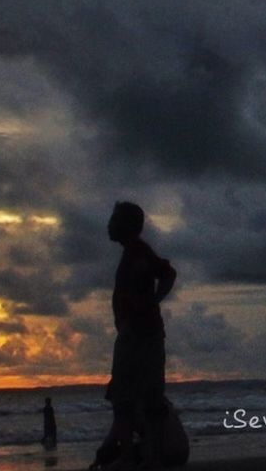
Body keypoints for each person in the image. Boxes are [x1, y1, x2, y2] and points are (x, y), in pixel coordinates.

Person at [105, 200, 177, 470]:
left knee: (125, 395)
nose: (108, 225)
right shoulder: (136, 252)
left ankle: (131, 458)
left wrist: (153, 300)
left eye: (113, 219)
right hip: (142, 332)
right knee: (147, 393)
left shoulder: (137, 253)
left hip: (136, 334)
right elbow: (167, 273)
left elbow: (168, 274)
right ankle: (151, 457)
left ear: (124, 225)